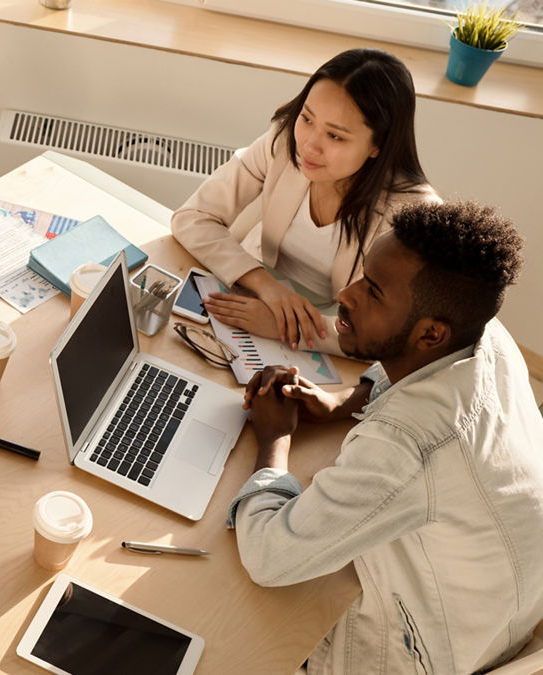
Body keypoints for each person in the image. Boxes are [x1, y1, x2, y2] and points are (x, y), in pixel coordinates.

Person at [229, 201, 543, 674]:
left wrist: (274, 437)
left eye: (373, 292)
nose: (346, 294)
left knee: (216, 614)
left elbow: (269, 558)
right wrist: (344, 401)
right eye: (362, 275)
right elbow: (408, 369)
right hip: (498, 616)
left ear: (431, 332)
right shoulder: (485, 333)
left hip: (416, 653)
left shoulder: (406, 444)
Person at [172, 48, 438, 355]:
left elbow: (390, 332)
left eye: (335, 136)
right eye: (307, 118)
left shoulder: (410, 217)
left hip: (326, 337)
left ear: (378, 145)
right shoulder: (284, 142)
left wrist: (285, 326)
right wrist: (265, 286)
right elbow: (192, 217)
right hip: (260, 293)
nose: (310, 145)